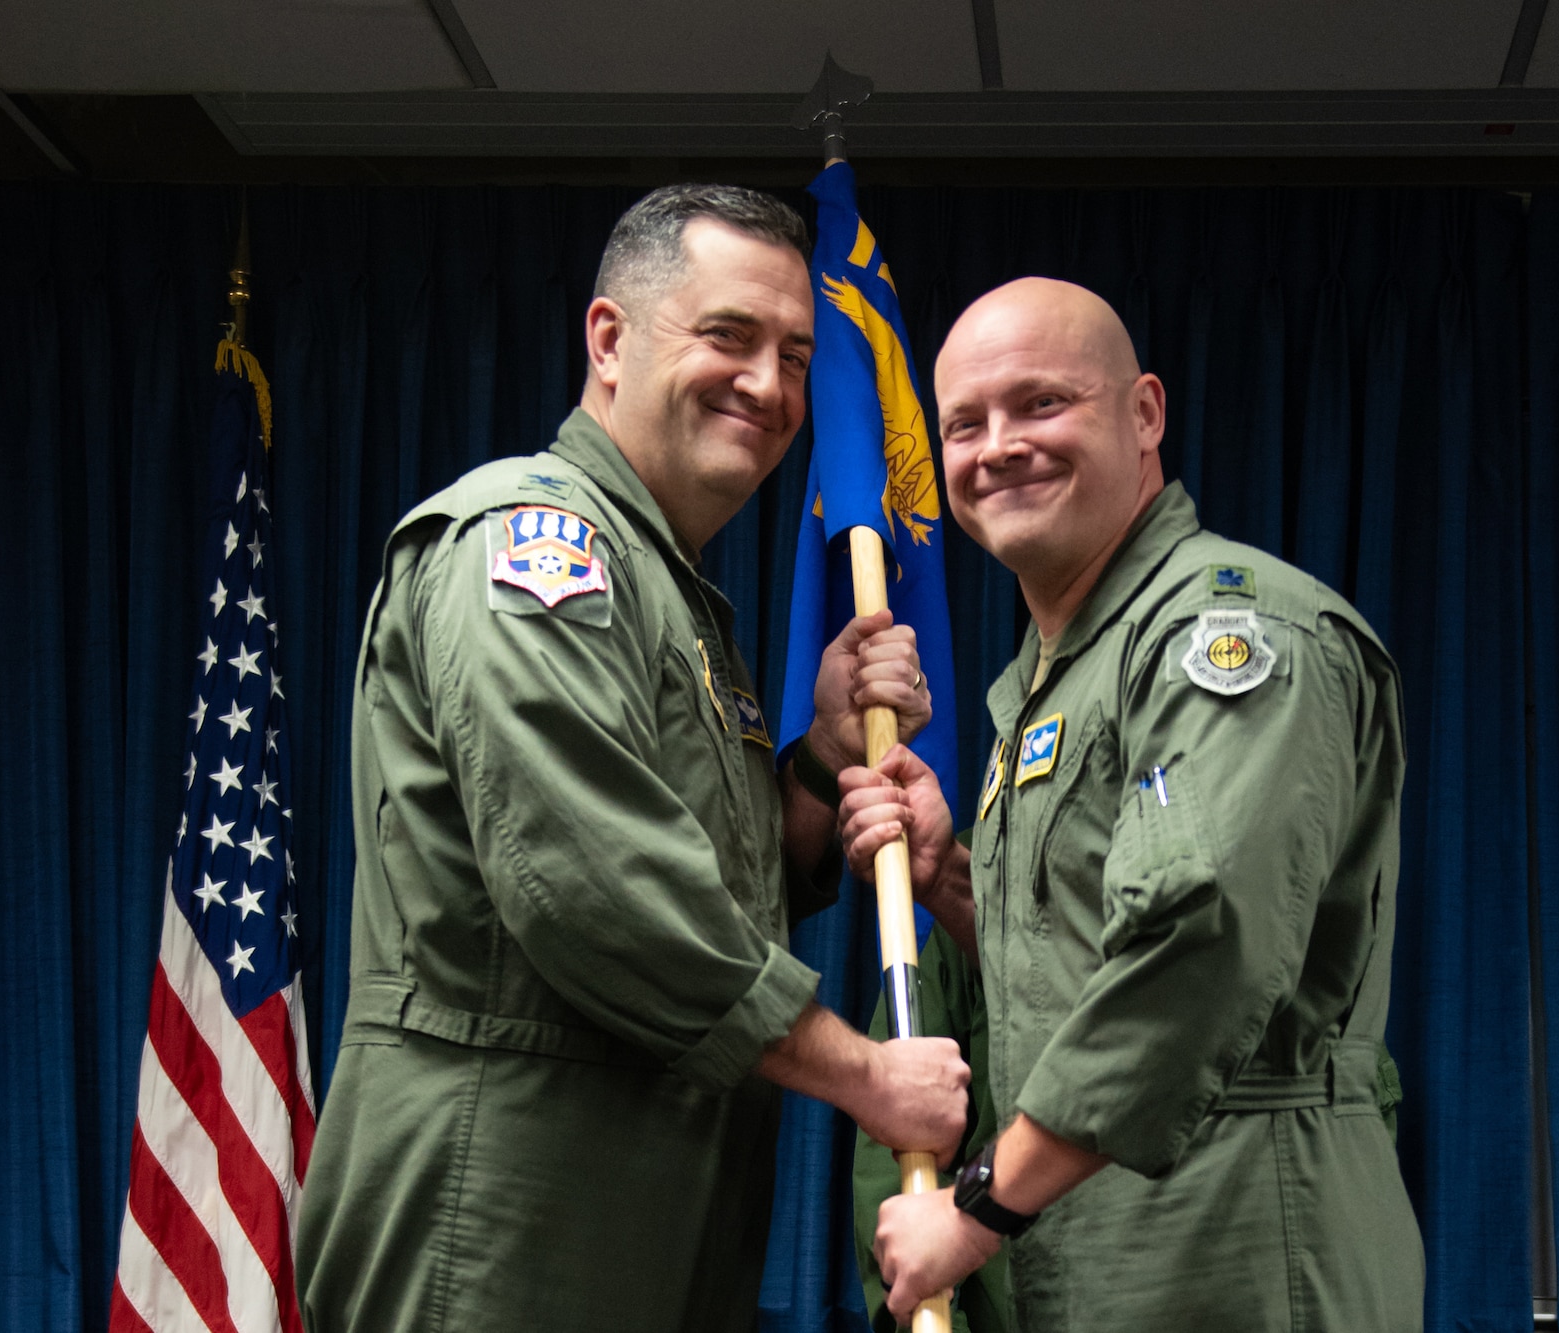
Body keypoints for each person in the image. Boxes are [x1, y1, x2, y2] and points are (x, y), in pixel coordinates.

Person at [296, 185, 970, 1333]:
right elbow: (592, 883)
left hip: (634, 1222)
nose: (769, 383)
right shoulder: (532, 547)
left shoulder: (667, 591)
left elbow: (720, 879)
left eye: (797, 354)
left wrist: (813, 765)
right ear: (609, 339)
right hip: (506, 1217)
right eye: (728, 335)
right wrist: (863, 1074)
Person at [839, 277, 1424, 1331]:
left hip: (1230, 1241)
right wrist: (953, 883)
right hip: (1089, 1245)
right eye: (963, 423)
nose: (996, 445)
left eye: (1040, 404)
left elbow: (1198, 954)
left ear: (1143, 413)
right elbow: (1083, 963)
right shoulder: (1055, 676)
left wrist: (975, 1211)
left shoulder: (1226, 641)